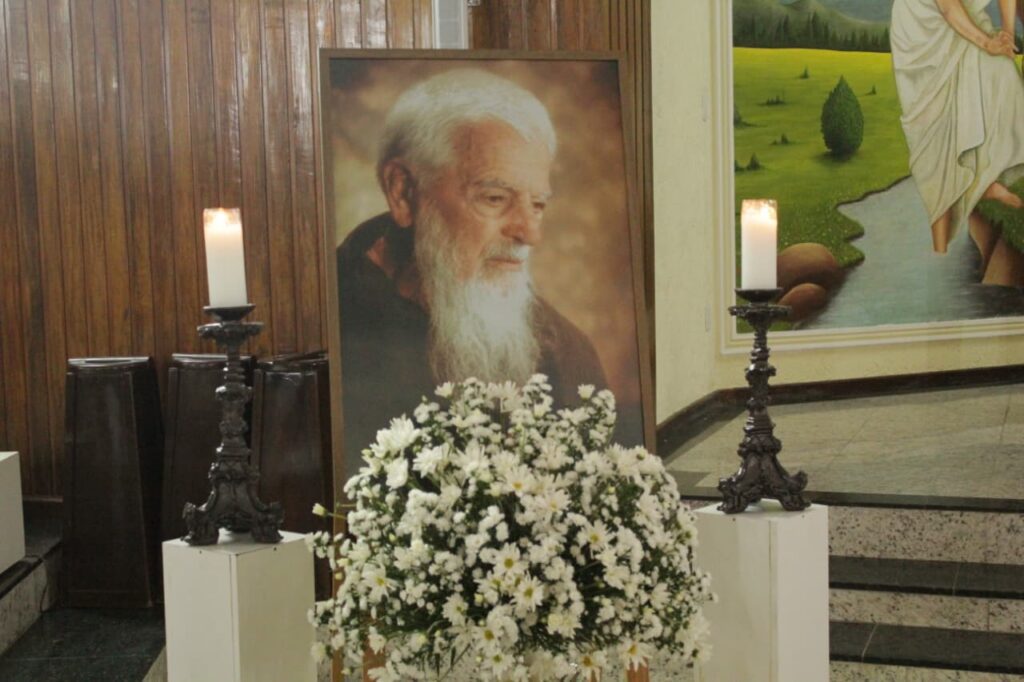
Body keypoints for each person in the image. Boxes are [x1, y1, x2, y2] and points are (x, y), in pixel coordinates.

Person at [336, 69, 613, 477]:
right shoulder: (325, 321)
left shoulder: (566, 353)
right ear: (403, 192)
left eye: (538, 205)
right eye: (495, 198)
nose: (530, 233)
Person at [891, 0, 1024, 255]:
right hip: (922, 28)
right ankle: (939, 251)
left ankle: (982, 185)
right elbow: (949, 7)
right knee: (935, 136)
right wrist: (988, 43)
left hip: (968, 17)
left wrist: (1007, 35)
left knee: (1003, 74)